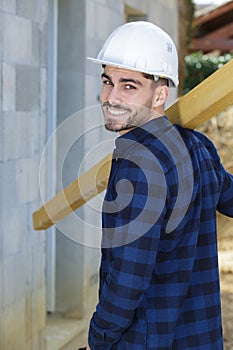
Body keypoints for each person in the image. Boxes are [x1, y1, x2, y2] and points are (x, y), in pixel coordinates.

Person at [80, 21, 233, 349]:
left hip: (147, 340)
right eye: (108, 81)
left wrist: (99, 338)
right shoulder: (199, 147)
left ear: (160, 94)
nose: (111, 97)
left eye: (129, 86)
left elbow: (127, 279)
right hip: (201, 338)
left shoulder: (137, 168)